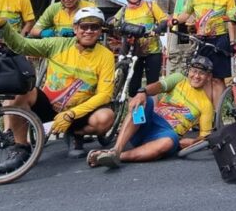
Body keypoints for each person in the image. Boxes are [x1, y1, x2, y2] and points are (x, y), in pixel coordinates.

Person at [0, 7, 116, 171]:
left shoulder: (106, 55)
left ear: (100, 30)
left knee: (106, 117)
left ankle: (76, 134)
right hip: (49, 107)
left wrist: (71, 114)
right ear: (75, 28)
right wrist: (5, 28)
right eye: (84, 26)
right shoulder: (57, 44)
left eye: (94, 27)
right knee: (20, 92)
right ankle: (21, 148)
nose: (89, 31)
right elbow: (22, 45)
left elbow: (104, 94)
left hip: (79, 112)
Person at [86, 56, 215, 169]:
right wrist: (143, 92)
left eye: (202, 73)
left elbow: (206, 138)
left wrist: (192, 142)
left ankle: (114, 156)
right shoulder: (179, 79)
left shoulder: (206, 105)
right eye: (194, 71)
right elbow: (158, 86)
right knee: (145, 101)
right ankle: (116, 149)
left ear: (208, 77)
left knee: (170, 141)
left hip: (165, 134)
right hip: (145, 122)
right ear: (189, 71)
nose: (196, 76)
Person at [171, 0, 236, 106]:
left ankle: (217, 114)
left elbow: (231, 19)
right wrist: (174, 21)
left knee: (218, 78)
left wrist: (232, 41)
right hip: (202, 39)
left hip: (220, 38)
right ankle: (207, 113)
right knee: (205, 77)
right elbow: (186, 13)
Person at [111, 0, 167, 94]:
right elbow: (113, 21)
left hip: (153, 51)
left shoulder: (151, 5)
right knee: (133, 85)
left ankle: (151, 110)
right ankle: (132, 110)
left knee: (152, 85)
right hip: (133, 51)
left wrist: (157, 29)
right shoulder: (123, 10)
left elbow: (164, 20)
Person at [31, 0, 96, 37]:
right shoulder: (53, 8)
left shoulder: (89, 7)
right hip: (59, 44)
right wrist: (42, 32)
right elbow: (33, 31)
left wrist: (75, 32)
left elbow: (97, 30)